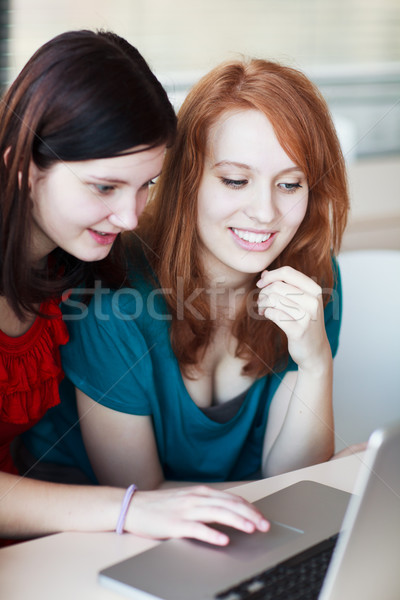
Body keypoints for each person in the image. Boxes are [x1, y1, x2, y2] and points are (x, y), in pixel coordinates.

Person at [23, 58, 349, 491]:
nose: (266, 213)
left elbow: (293, 483)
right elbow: (139, 499)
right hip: (96, 533)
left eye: (290, 185)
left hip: (231, 528)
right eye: (235, 180)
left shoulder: (311, 276)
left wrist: (315, 362)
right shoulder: (113, 287)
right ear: (186, 180)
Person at [0, 31, 269, 545]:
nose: (129, 217)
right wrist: (131, 508)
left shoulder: (73, 266)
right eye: (104, 187)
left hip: (44, 536)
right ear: (25, 166)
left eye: (148, 184)